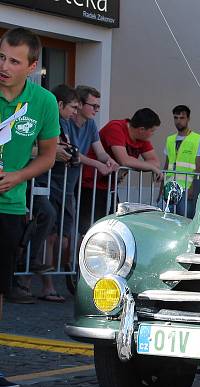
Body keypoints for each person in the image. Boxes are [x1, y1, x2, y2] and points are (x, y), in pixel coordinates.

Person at [0, 28, 60, 316]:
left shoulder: (44, 101)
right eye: (1, 58)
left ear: (32, 67)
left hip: (9, 205)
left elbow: (48, 156)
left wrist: (19, 176)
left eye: (13, 61)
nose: (3, 67)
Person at [28, 84, 81, 303]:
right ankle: (26, 268)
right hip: (36, 181)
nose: (75, 112)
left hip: (54, 184)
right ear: (58, 104)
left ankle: (31, 274)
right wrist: (51, 152)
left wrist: (71, 154)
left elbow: (64, 150)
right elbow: (27, 147)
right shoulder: (42, 118)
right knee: (43, 220)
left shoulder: (64, 124)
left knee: (51, 229)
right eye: (73, 107)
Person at [81, 108, 163, 231]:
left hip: (110, 187)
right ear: (141, 130)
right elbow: (124, 160)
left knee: (111, 226)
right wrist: (149, 166)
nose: (153, 134)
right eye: (152, 131)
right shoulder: (116, 127)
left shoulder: (142, 139)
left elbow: (155, 162)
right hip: (91, 184)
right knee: (90, 227)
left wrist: (148, 165)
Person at [163, 105, 200, 217]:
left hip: (187, 188)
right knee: (168, 220)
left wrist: (193, 188)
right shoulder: (170, 139)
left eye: (182, 118)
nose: (178, 121)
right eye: (176, 118)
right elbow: (167, 164)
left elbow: (199, 166)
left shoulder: (197, 139)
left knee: (186, 220)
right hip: (170, 187)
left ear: (188, 119)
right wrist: (162, 187)